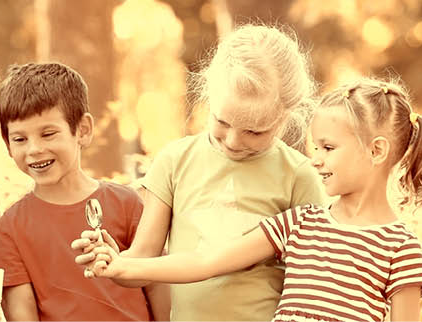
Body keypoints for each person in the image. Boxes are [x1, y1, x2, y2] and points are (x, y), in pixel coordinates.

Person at [76, 78, 422, 322]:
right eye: (315, 147)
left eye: (328, 148)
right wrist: (123, 267)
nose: (315, 159)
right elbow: (208, 260)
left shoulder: (399, 246)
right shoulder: (300, 223)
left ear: (376, 150)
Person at [113, 24, 329, 321]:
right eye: (222, 122)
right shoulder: (175, 161)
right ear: (208, 97)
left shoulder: (299, 176)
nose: (233, 141)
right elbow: (140, 263)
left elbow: (316, 279)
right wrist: (109, 260)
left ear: (285, 116)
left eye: (254, 131)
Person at [0, 62, 168, 321]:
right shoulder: (11, 228)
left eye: (48, 134)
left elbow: (157, 282)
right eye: (19, 139)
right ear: (7, 144)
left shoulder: (126, 203)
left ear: (82, 130)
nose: (34, 149)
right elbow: (21, 313)